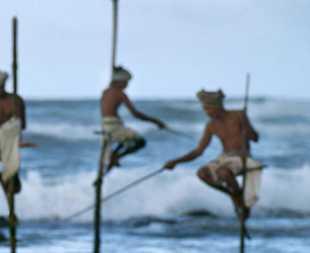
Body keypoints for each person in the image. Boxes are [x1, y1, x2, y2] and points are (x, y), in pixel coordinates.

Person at [164, 89, 261, 218]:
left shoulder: (238, 115)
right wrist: (175, 162)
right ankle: (234, 195)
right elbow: (199, 151)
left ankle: (239, 197)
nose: (207, 113)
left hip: (242, 157)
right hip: (225, 158)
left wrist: (245, 127)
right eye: (205, 110)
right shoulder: (211, 125)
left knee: (223, 173)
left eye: (209, 109)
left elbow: (255, 138)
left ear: (218, 106)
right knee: (202, 173)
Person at [100, 66, 166, 171]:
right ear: (120, 81)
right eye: (126, 82)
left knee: (125, 137)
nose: (127, 84)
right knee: (141, 142)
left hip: (106, 125)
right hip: (114, 127)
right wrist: (155, 121)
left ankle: (114, 154)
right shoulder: (120, 94)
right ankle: (117, 156)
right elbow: (136, 114)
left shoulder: (105, 91)